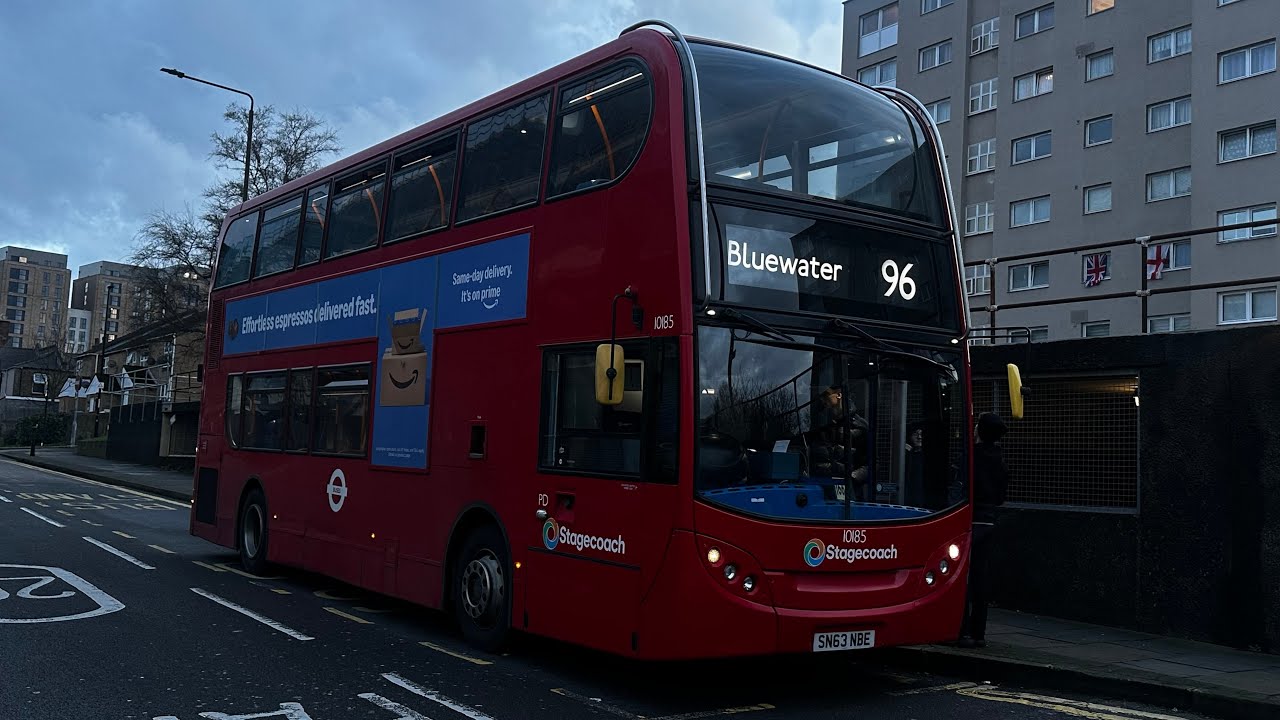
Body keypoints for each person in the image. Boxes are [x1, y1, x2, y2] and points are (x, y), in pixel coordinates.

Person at [959, 411, 1009, 649]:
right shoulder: (999, 459)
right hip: (988, 522)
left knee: (962, 578)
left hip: (969, 521)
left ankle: (963, 630)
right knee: (981, 578)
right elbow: (1000, 497)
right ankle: (979, 633)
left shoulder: (972, 457)